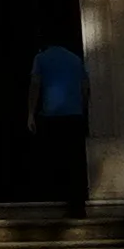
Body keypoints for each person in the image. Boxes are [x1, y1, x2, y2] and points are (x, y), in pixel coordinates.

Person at [26, 39, 89, 211]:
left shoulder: (41, 58)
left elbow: (35, 84)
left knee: (53, 158)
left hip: (52, 115)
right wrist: (81, 109)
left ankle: (54, 198)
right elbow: (84, 87)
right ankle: (76, 204)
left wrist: (31, 113)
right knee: (74, 160)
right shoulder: (75, 59)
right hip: (74, 115)